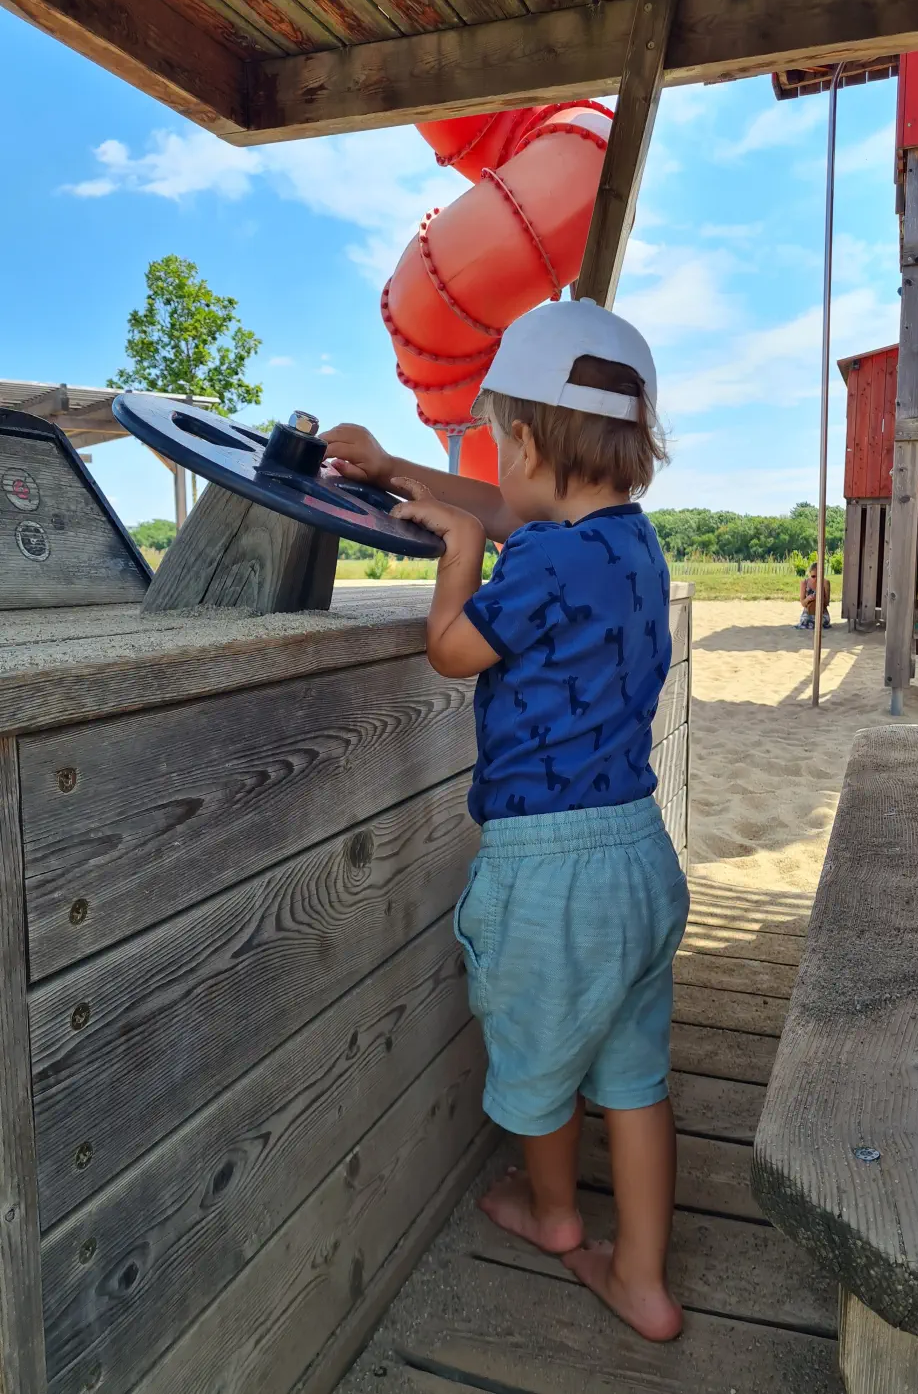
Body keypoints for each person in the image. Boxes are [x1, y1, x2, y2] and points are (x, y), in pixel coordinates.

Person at [321, 299, 689, 1343]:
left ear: (523, 439)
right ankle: (645, 1280)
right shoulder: (629, 544)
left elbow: (450, 647)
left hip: (549, 870)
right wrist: (400, 468)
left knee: (533, 1063)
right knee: (633, 1073)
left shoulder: (531, 563)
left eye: (496, 445)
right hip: (636, 852)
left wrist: (453, 547)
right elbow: (509, 505)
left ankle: (557, 1213)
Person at [799, 560, 831, 630]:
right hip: (808, 611)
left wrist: (820, 599)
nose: (816, 579)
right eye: (813, 576)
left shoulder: (825, 583)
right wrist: (808, 599)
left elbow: (827, 603)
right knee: (805, 622)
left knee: (822, 623)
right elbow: (803, 603)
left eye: (819, 576)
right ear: (809, 574)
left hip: (822, 611)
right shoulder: (804, 583)